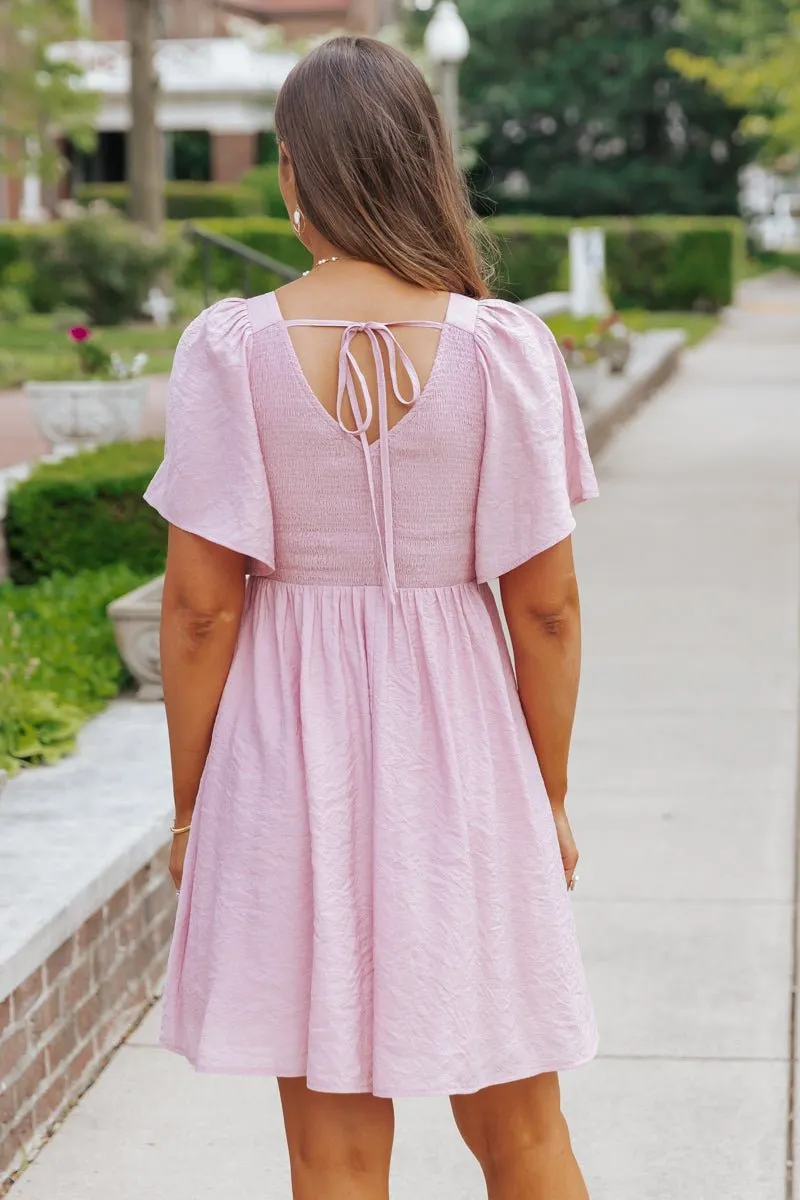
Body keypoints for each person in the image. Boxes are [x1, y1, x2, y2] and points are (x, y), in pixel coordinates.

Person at [144, 35, 599, 1200]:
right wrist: (539, 794)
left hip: (288, 765)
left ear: (293, 175)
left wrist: (196, 809)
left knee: (333, 1155)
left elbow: (199, 613)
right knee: (523, 1136)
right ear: (424, 164)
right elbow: (542, 610)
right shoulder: (503, 350)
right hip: (468, 761)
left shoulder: (233, 349)